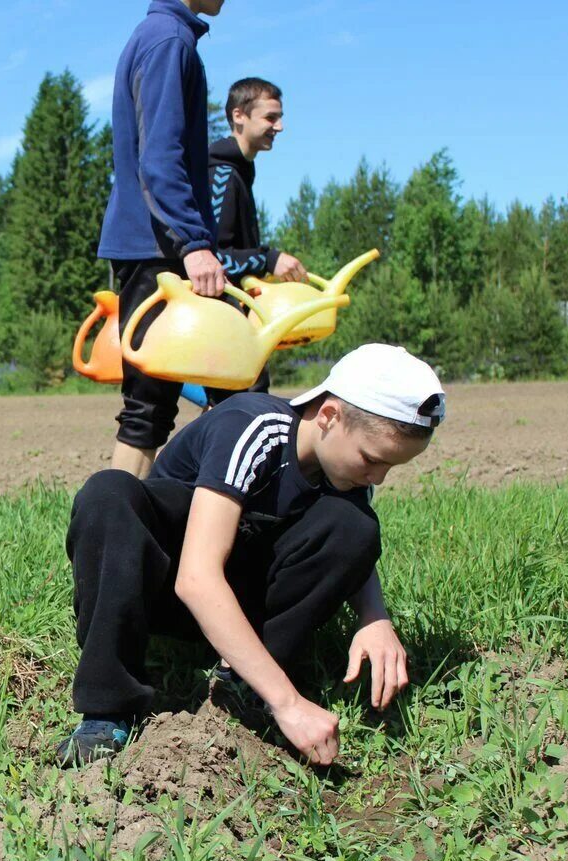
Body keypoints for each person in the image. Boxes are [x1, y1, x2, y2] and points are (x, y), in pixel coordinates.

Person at [57, 344, 446, 767]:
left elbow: (355, 543)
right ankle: (108, 709)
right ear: (330, 417)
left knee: (355, 524)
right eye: (373, 460)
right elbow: (196, 578)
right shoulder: (253, 427)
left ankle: (242, 685)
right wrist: (289, 704)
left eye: (390, 467)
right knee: (109, 492)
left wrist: (375, 620)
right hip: (161, 588)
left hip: (238, 600)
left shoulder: (344, 471)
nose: (379, 478)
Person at [99, 0, 227, 480]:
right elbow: (159, 157)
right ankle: (117, 535)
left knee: (167, 402)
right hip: (161, 249)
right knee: (150, 407)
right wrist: (194, 243)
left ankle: (185, 520)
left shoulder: (163, 35)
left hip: (155, 245)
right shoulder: (168, 40)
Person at [203, 76, 310, 405]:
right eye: (270, 117)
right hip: (220, 318)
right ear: (239, 116)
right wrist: (268, 258)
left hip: (236, 316)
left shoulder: (239, 171)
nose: (279, 127)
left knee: (234, 405)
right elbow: (212, 258)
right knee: (242, 404)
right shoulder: (221, 173)